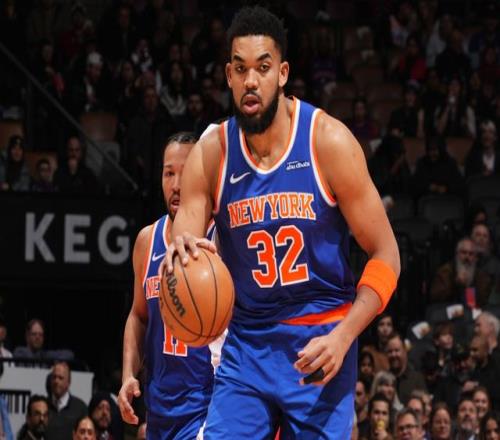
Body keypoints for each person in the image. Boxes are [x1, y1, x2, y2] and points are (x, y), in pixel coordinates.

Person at [163, 6, 400, 438]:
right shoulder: (212, 152)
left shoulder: (327, 141)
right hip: (247, 344)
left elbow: (387, 254)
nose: (251, 81)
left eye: (263, 67)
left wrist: (344, 336)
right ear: (229, 76)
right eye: (240, 69)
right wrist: (181, 253)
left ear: (283, 73)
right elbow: (186, 234)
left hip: (320, 340)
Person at [118, 132, 219, 439]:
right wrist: (128, 375)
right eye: (168, 173)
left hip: (208, 407)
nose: (176, 185)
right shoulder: (147, 241)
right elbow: (138, 316)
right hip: (159, 411)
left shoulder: (220, 240)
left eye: (185, 173)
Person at [46, 361, 88, 440]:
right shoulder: (43, 406)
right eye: (54, 377)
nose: (56, 381)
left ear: (68, 382)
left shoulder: (80, 408)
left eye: (60, 378)